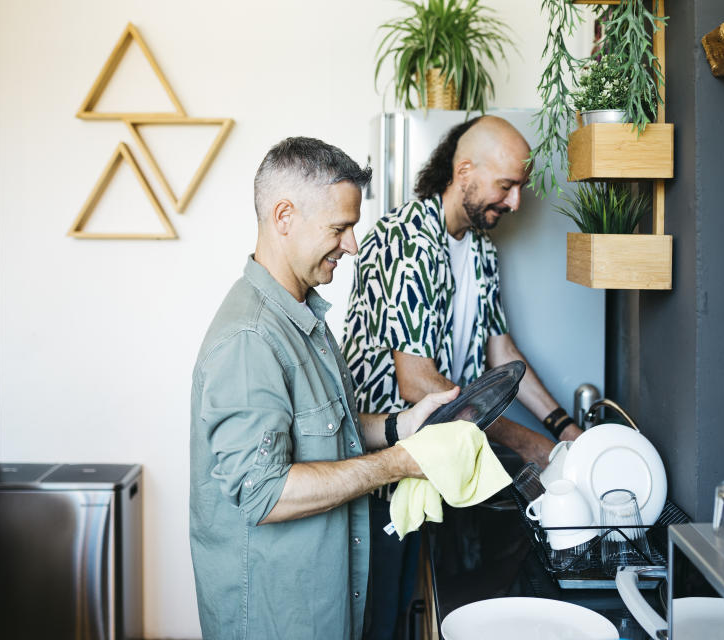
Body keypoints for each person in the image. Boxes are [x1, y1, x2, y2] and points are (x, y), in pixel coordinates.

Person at [189, 137, 460, 640]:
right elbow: (264, 492)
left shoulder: (303, 317)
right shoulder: (250, 339)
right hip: (276, 616)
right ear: (284, 216)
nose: (353, 245)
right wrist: (403, 463)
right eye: (340, 228)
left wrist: (402, 426)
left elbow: (321, 430)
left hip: (321, 604)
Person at [342, 115, 583, 639]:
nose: (517, 202)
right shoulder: (404, 239)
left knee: (418, 606)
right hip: (382, 474)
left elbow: (502, 354)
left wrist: (566, 431)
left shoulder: (479, 250)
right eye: (508, 185)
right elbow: (417, 383)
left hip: (436, 469)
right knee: (380, 620)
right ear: (465, 170)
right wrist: (531, 446)